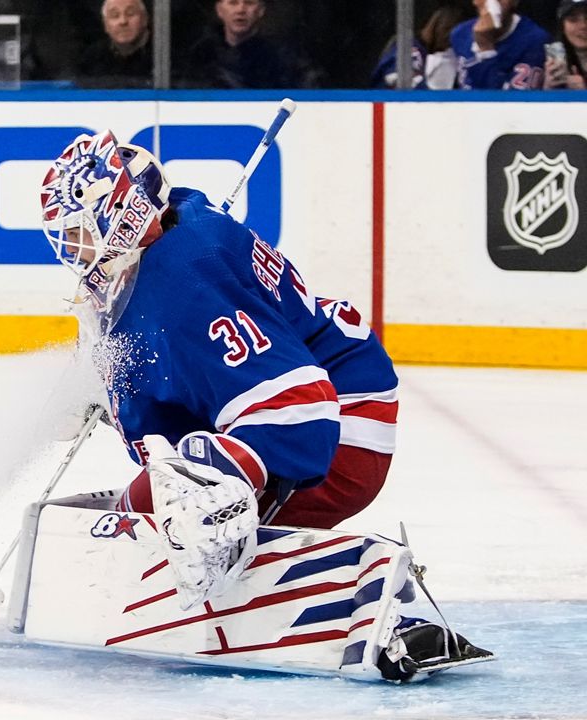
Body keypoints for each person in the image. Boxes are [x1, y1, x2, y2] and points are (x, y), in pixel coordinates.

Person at [36, 130, 490, 681]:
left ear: (125, 214)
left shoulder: (184, 278)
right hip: (294, 399)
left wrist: (221, 490)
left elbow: (300, 412)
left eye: (81, 233)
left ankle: (372, 606)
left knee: (191, 509)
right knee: (146, 506)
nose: (74, 252)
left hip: (341, 417)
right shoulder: (170, 245)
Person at [177, 0, 312, 89]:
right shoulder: (200, 54)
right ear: (219, 10)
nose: (241, 9)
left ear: (260, 10)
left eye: (249, 2)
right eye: (233, 3)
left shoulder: (283, 57)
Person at [452, 0, 551, 89]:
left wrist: (486, 49)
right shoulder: (459, 34)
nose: (492, 2)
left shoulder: (534, 39)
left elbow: (503, 103)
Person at [371, 4, 468, 89]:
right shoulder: (410, 48)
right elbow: (403, 88)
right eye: (446, 31)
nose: (449, 40)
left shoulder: (454, 56)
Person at [76, 0, 152, 88]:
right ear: (105, 25)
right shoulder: (91, 58)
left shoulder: (164, 55)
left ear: (145, 19)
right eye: (115, 15)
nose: (123, 21)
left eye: (130, 14)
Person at [545, 0, 587, 88]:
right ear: (562, 27)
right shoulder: (553, 60)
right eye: (573, 20)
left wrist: (583, 95)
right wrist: (548, 88)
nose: (583, 26)